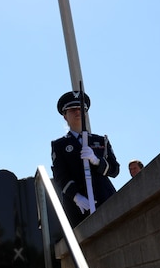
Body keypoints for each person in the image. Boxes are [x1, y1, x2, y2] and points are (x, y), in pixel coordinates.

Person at [51, 91, 120, 227]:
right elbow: (60, 176)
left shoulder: (101, 140)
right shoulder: (59, 145)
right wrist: (76, 196)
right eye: (72, 110)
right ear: (65, 116)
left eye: (81, 109)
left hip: (105, 199)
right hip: (79, 207)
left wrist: (97, 160)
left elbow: (115, 170)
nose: (78, 112)